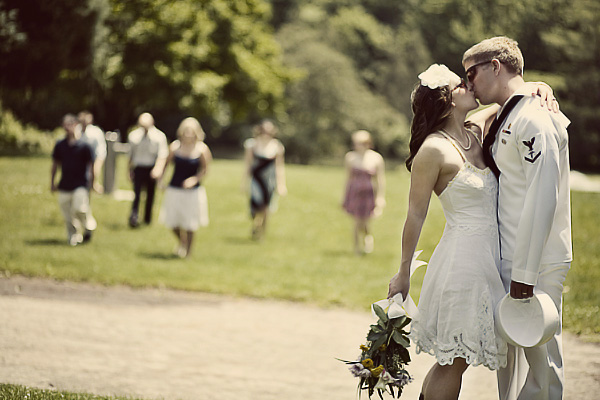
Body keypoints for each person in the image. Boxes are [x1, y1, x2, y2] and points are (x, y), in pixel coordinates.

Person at [387, 64, 557, 400]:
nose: (470, 86)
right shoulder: (433, 150)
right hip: (462, 262)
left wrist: (537, 84)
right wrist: (403, 271)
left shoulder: (474, 131)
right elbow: (415, 214)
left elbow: (506, 98)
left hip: (489, 259)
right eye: (461, 85)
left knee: (455, 358)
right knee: (455, 359)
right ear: (447, 101)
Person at [462, 36, 572, 400]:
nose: (468, 84)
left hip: (536, 263)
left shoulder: (535, 118)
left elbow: (543, 197)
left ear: (495, 66)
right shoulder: (512, 111)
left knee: (542, 367)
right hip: (510, 256)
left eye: (471, 73)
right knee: (509, 368)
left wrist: (524, 275)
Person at [158, 117, 212, 258]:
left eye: (191, 132)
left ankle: (188, 251)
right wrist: (161, 180)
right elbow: (165, 165)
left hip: (192, 192)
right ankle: (182, 242)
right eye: (186, 131)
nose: (188, 134)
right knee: (172, 222)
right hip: (175, 188)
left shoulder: (202, 149)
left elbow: (205, 170)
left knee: (190, 223)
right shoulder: (175, 147)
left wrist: (194, 179)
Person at [51, 114, 94, 246]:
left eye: (70, 125)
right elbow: (55, 165)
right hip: (65, 184)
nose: (67, 128)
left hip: (80, 184)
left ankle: (88, 227)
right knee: (67, 214)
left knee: (79, 208)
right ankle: (73, 236)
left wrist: (93, 183)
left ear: (76, 125)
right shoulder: (60, 145)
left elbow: (91, 167)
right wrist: (52, 182)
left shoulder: (85, 145)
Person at [242, 119, 287, 240]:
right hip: (256, 180)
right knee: (256, 207)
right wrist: (243, 183)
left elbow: (279, 167)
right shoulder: (251, 144)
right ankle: (256, 224)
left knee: (267, 208)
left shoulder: (277, 146)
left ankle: (262, 233)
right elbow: (248, 165)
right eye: (263, 130)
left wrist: (281, 185)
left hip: (269, 181)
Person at [342, 130, 385, 255]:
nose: (357, 145)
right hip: (355, 193)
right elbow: (348, 178)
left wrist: (380, 198)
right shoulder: (350, 157)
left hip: (369, 193)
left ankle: (368, 238)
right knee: (356, 222)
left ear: (367, 143)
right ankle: (356, 248)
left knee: (365, 222)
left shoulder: (376, 158)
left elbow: (380, 180)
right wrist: (344, 196)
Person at [127, 112, 168, 227]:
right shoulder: (133, 136)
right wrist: (129, 170)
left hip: (151, 168)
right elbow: (130, 156)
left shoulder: (159, 136)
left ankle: (147, 219)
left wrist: (157, 169)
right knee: (137, 194)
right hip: (139, 168)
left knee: (150, 195)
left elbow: (162, 155)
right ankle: (134, 216)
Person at [77, 110, 106, 242]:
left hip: (87, 172)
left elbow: (99, 157)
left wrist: (95, 178)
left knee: (83, 202)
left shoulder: (95, 134)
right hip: (74, 173)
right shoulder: (75, 131)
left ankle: (87, 228)